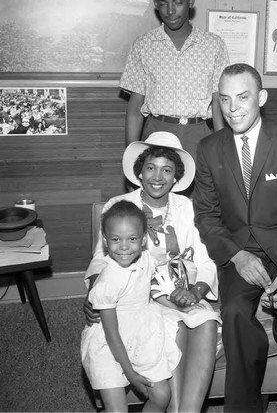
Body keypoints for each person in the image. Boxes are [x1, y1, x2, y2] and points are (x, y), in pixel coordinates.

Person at [193, 63, 277, 413]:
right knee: (236, 314)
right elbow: (206, 216)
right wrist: (237, 256)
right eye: (224, 99)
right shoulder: (209, 148)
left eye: (243, 97)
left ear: (262, 98)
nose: (233, 107)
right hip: (240, 252)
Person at [84, 131, 220, 413]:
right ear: (139, 172)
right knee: (174, 328)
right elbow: (101, 259)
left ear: (176, 177)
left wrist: (195, 291)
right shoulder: (119, 206)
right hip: (138, 297)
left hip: (182, 291)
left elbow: (207, 262)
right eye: (151, 168)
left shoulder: (189, 209)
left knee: (206, 321)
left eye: (167, 170)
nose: (158, 177)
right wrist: (95, 295)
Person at [119, 0, 229, 162]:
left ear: (191, 1)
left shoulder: (214, 44)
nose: (171, 11)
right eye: (163, 3)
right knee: (157, 190)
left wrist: (223, 150)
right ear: (155, 4)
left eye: (178, 2)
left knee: (201, 191)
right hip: (156, 133)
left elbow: (218, 103)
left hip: (200, 134)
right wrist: (131, 155)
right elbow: (135, 107)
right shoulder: (143, 44)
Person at [81, 200, 181, 413]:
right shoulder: (108, 281)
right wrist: (131, 375)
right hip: (109, 345)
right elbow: (111, 333)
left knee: (162, 395)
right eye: (116, 239)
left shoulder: (146, 259)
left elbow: (154, 286)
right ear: (106, 241)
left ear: (143, 239)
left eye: (132, 239)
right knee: (117, 409)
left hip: (142, 334)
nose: (124, 246)